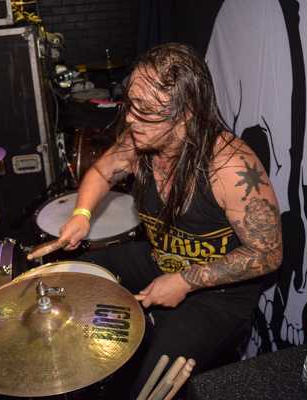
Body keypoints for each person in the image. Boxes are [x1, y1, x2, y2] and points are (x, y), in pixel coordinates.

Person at [58, 43, 283, 398]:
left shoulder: (232, 167)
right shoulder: (138, 142)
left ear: (185, 114)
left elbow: (267, 254)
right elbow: (101, 172)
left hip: (217, 296)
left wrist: (185, 281)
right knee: (68, 278)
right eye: (130, 104)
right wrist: (82, 215)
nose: (130, 119)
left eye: (145, 111)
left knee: (146, 388)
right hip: (160, 259)